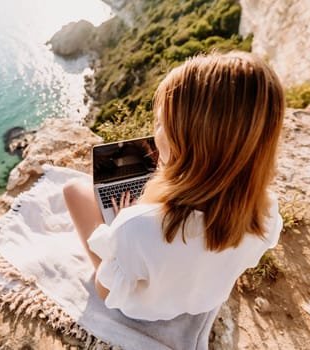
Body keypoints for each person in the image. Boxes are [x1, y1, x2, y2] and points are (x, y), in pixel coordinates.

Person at [63, 51, 285, 346]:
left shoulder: (136, 226)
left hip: (141, 310)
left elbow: (106, 292)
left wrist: (121, 222)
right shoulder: (265, 213)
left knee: (74, 190)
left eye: (160, 124)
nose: (155, 134)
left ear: (186, 142)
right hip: (201, 299)